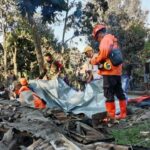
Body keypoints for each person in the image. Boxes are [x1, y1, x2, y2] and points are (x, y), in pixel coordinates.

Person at [90, 24, 126, 120]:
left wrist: (95, 60)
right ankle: (123, 114)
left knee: (109, 94)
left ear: (99, 34)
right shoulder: (112, 40)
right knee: (119, 92)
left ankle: (111, 116)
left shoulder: (105, 39)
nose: (97, 40)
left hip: (109, 73)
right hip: (117, 72)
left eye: (97, 38)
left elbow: (104, 53)